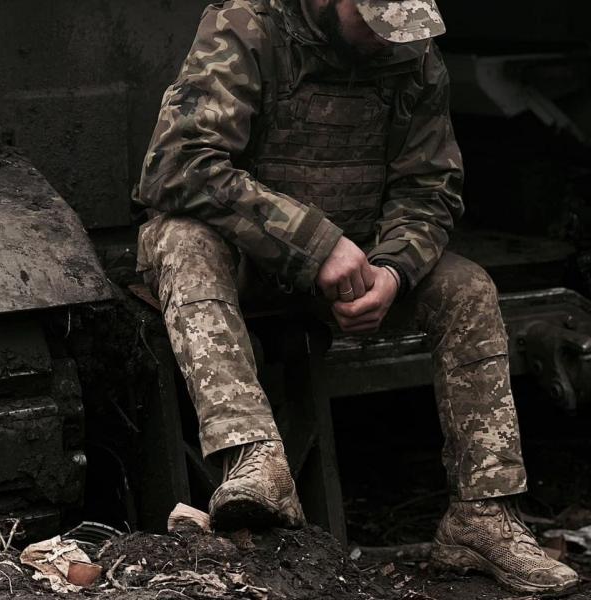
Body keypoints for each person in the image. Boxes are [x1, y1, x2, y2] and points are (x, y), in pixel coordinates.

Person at [135, 0, 579, 593]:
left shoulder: (412, 49)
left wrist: (393, 270)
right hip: (248, 258)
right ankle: (254, 460)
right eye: (374, 23)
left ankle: (482, 517)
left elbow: (430, 189)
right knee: (179, 241)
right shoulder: (250, 26)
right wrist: (316, 244)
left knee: (468, 288)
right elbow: (178, 165)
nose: (389, 41)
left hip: (357, 262)